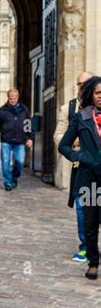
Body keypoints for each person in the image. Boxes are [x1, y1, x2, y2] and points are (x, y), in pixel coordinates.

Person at [59, 76, 101, 281]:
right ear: (91, 95)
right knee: (91, 222)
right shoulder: (81, 117)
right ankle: (93, 262)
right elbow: (64, 145)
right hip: (90, 179)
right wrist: (80, 157)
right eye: (98, 93)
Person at [54, 71, 94, 263]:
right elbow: (59, 137)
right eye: (80, 84)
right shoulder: (69, 109)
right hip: (82, 166)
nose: (83, 87)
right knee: (82, 207)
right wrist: (77, 150)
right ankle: (85, 246)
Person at [0, 89, 34, 191]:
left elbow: (28, 124)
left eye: (14, 98)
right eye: (11, 99)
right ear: (8, 98)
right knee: (5, 162)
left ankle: (14, 177)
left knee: (20, 162)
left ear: (18, 97)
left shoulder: (24, 109)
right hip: (6, 140)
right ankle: (8, 183)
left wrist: (30, 138)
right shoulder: (2, 110)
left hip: (20, 140)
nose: (13, 100)